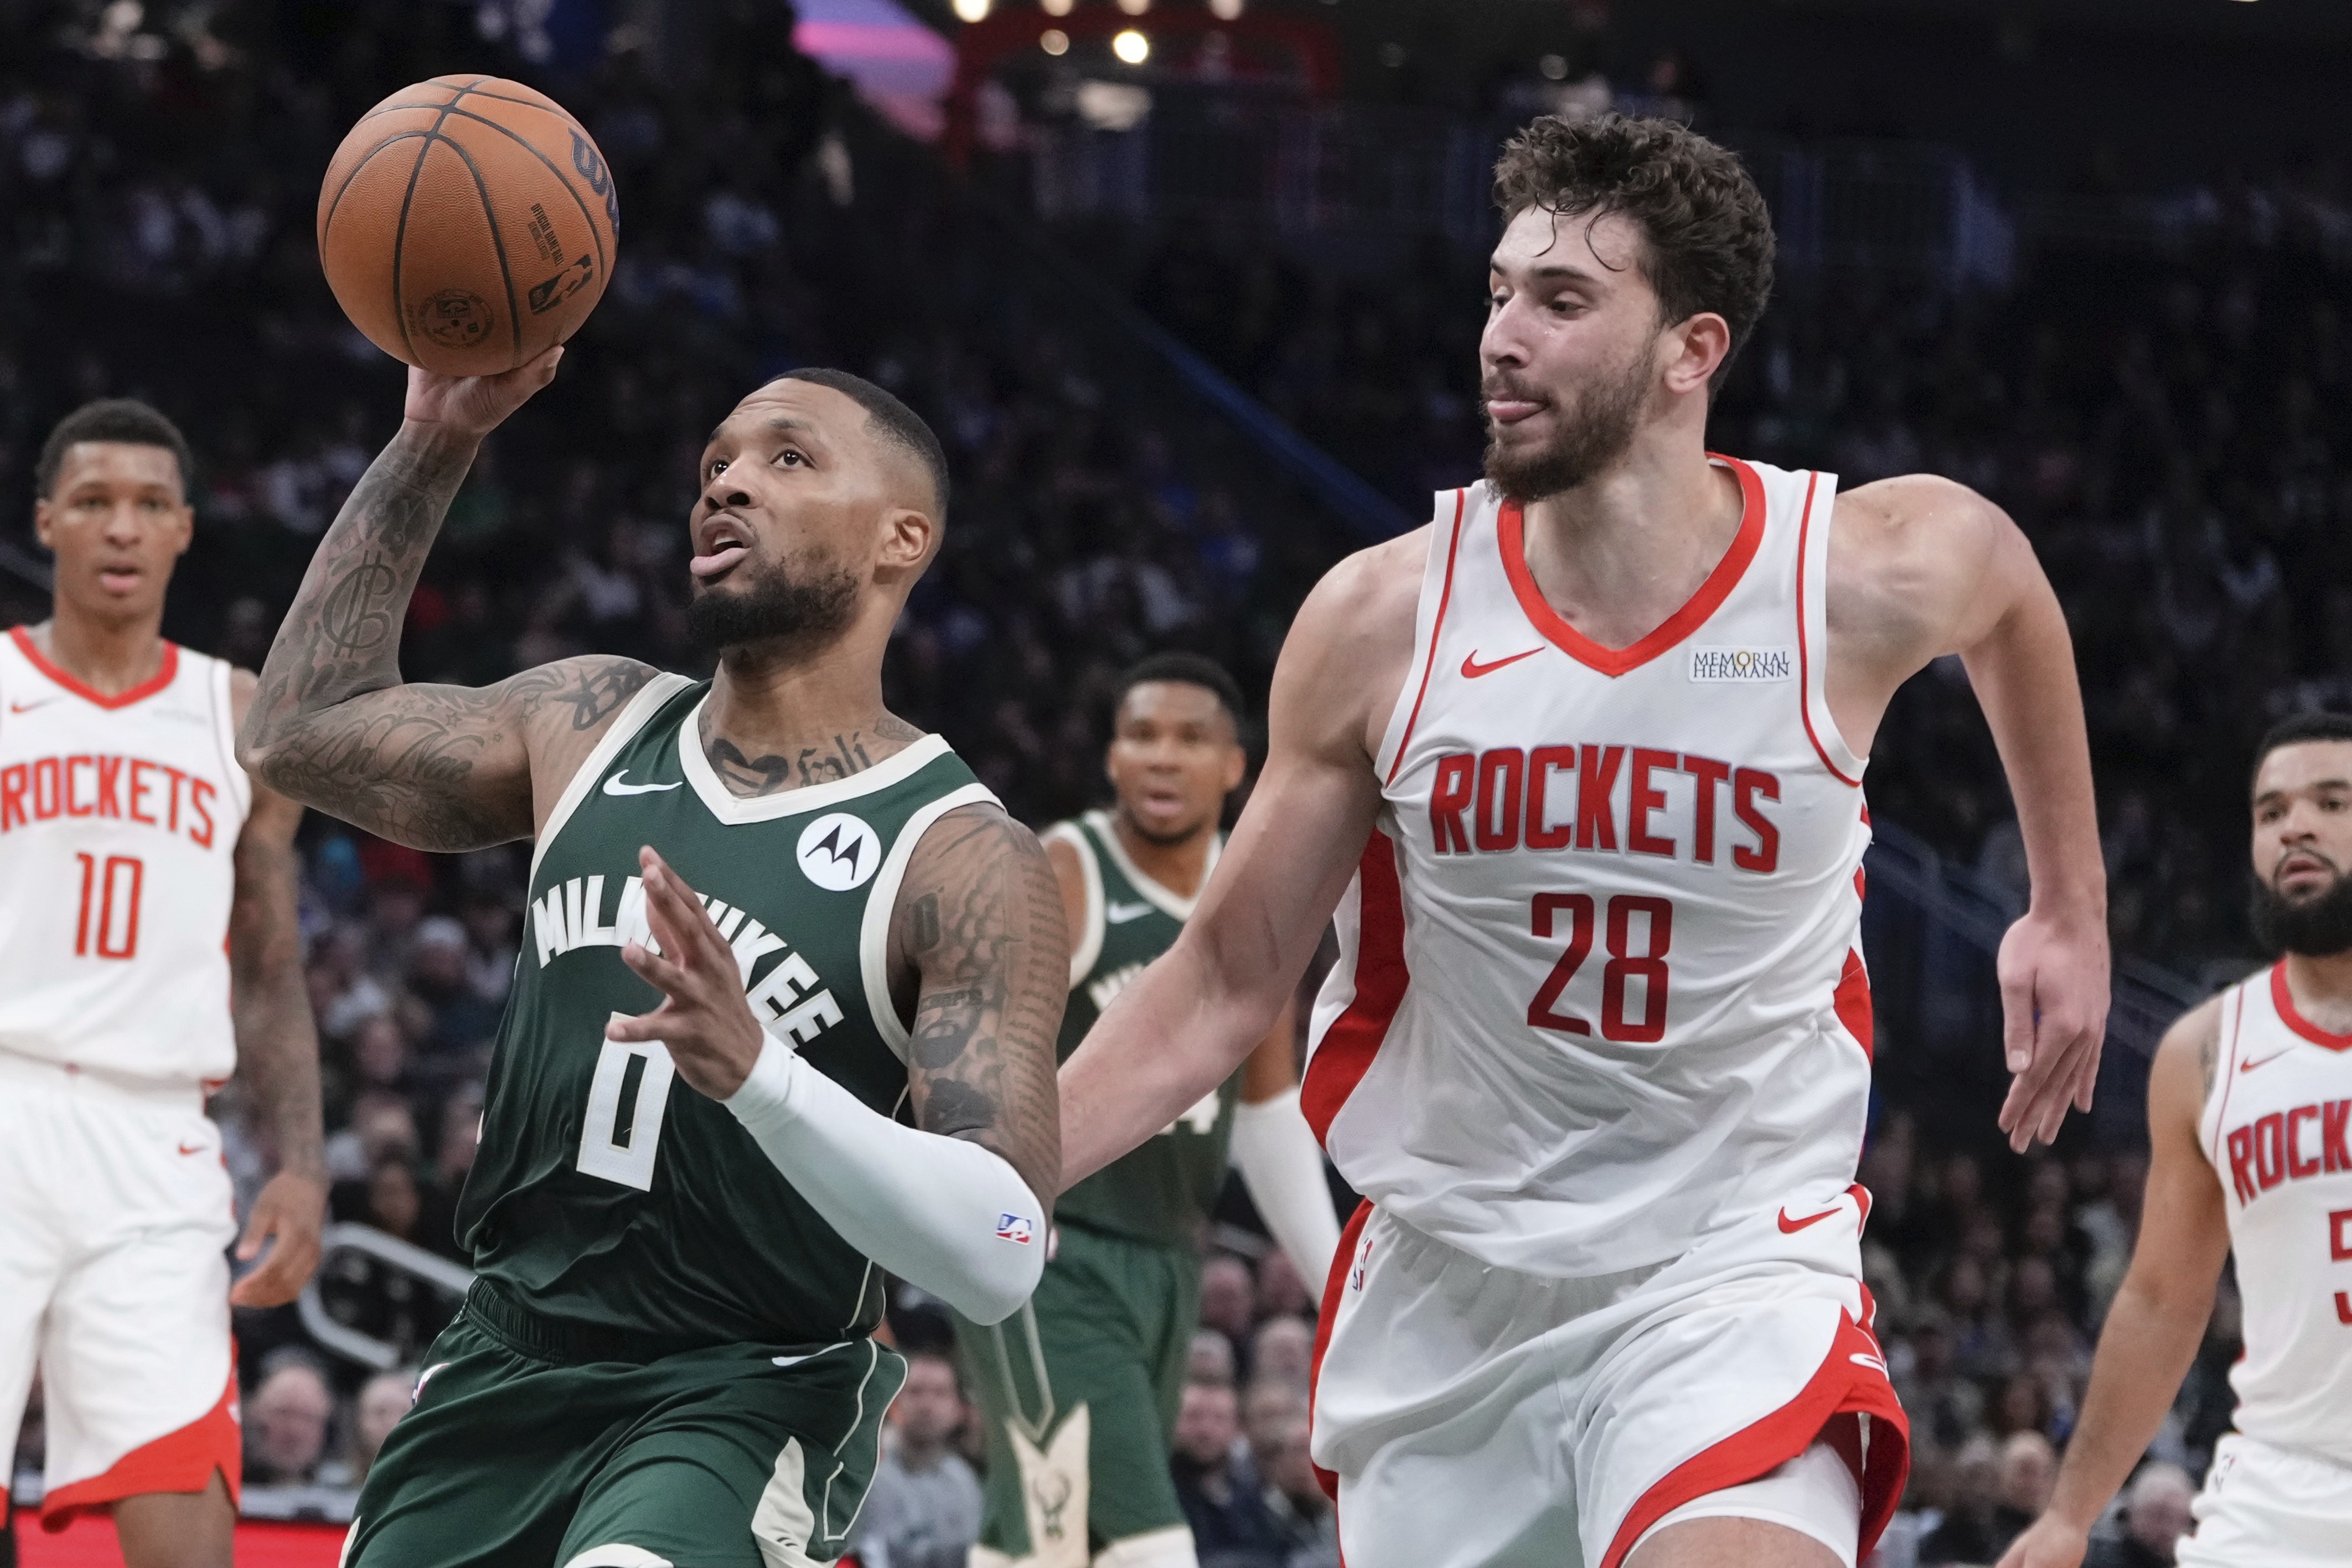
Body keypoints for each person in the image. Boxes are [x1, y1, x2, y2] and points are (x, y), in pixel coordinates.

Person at [1058, 112, 2111, 1568]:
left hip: (1729, 1265)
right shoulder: (1384, 619)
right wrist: (980, 1163)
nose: (1502, 337)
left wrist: (2068, 905)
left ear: (1691, 349)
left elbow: (2005, 586)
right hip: (1451, 1290)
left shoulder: (1844, 575)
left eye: (1560, 302)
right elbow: (1228, 983)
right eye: (1498, 292)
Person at [237, 351, 1066, 1568]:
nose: (728, 484)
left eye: (787, 458)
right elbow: (297, 732)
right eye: (717, 462)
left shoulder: (960, 852)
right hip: (501, 1354)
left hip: (741, 1385)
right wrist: (433, 441)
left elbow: (1001, 1252)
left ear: (903, 537)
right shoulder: (586, 720)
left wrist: (762, 1075)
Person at [0, 400, 325, 1567]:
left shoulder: (238, 716)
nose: (120, 528)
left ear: (186, 528)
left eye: (148, 505)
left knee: (186, 1514)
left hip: (157, 1141)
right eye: (92, 503)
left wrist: (300, 1158)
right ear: (47, 524)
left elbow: (271, 959)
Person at [957, 655, 1340, 1568]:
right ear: (1112, 758)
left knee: (1037, 1543)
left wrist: (1334, 1283)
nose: (1161, 757)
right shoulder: (1066, 867)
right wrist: (989, 1177)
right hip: (1052, 1257)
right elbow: (968, 1034)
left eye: (1188, 738)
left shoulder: (1253, 892)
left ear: (1234, 766)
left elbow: (1264, 1107)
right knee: (1145, 1543)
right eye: (1140, 736)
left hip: (1167, 1262)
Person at [2001, 713, 2352, 1568]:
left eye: (2330, 802)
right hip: (2279, 1499)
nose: (2293, 826)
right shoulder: (2206, 1050)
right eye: (2270, 813)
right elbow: (2161, 1299)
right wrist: (2069, 1514)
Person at [847, 1352, 985, 1568]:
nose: (926, 1405)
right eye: (915, 1391)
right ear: (895, 1401)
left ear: (958, 1408)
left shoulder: (964, 1481)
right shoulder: (867, 1477)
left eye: (940, 1393)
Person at [2082, 1464, 2194, 1568]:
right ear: (2132, 1513)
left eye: (2180, 1520)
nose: (2168, 1530)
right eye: (2159, 1516)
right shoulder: (2096, 1557)